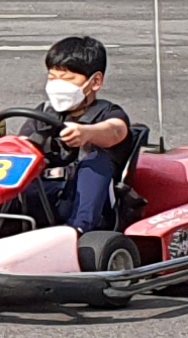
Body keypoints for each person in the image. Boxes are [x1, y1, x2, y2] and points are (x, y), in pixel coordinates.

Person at [38, 34, 135, 234]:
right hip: (47, 195)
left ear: (95, 81)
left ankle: (78, 230)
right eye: (52, 78)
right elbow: (23, 144)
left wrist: (87, 133)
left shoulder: (109, 114)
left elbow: (116, 130)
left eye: (67, 79)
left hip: (92, 203)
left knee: (94, 158)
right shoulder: (44, 113)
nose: (58, 85)